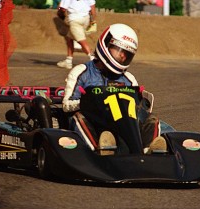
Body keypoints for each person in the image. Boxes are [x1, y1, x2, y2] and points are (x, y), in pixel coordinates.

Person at [62, 23, 167, 155]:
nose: (123, 56)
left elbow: (136, 107)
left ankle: (147, 151)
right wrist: (90, 102)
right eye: (120, 50)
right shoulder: (82, 72)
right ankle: (100, 149)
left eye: (127, 54)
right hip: (94, 123)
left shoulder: (129, 79)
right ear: (106, 44)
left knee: (152, 119)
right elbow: (66, 105)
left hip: (122, 125)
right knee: (78, 117)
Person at [56, 0, 96, 69]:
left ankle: (94, 59)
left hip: (74, 19)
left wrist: (59, 12)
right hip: (86, 19)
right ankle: (68, 61)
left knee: (81, 41)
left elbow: (62, 8)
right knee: (69, 38)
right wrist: (92, 22)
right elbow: (93, 11)